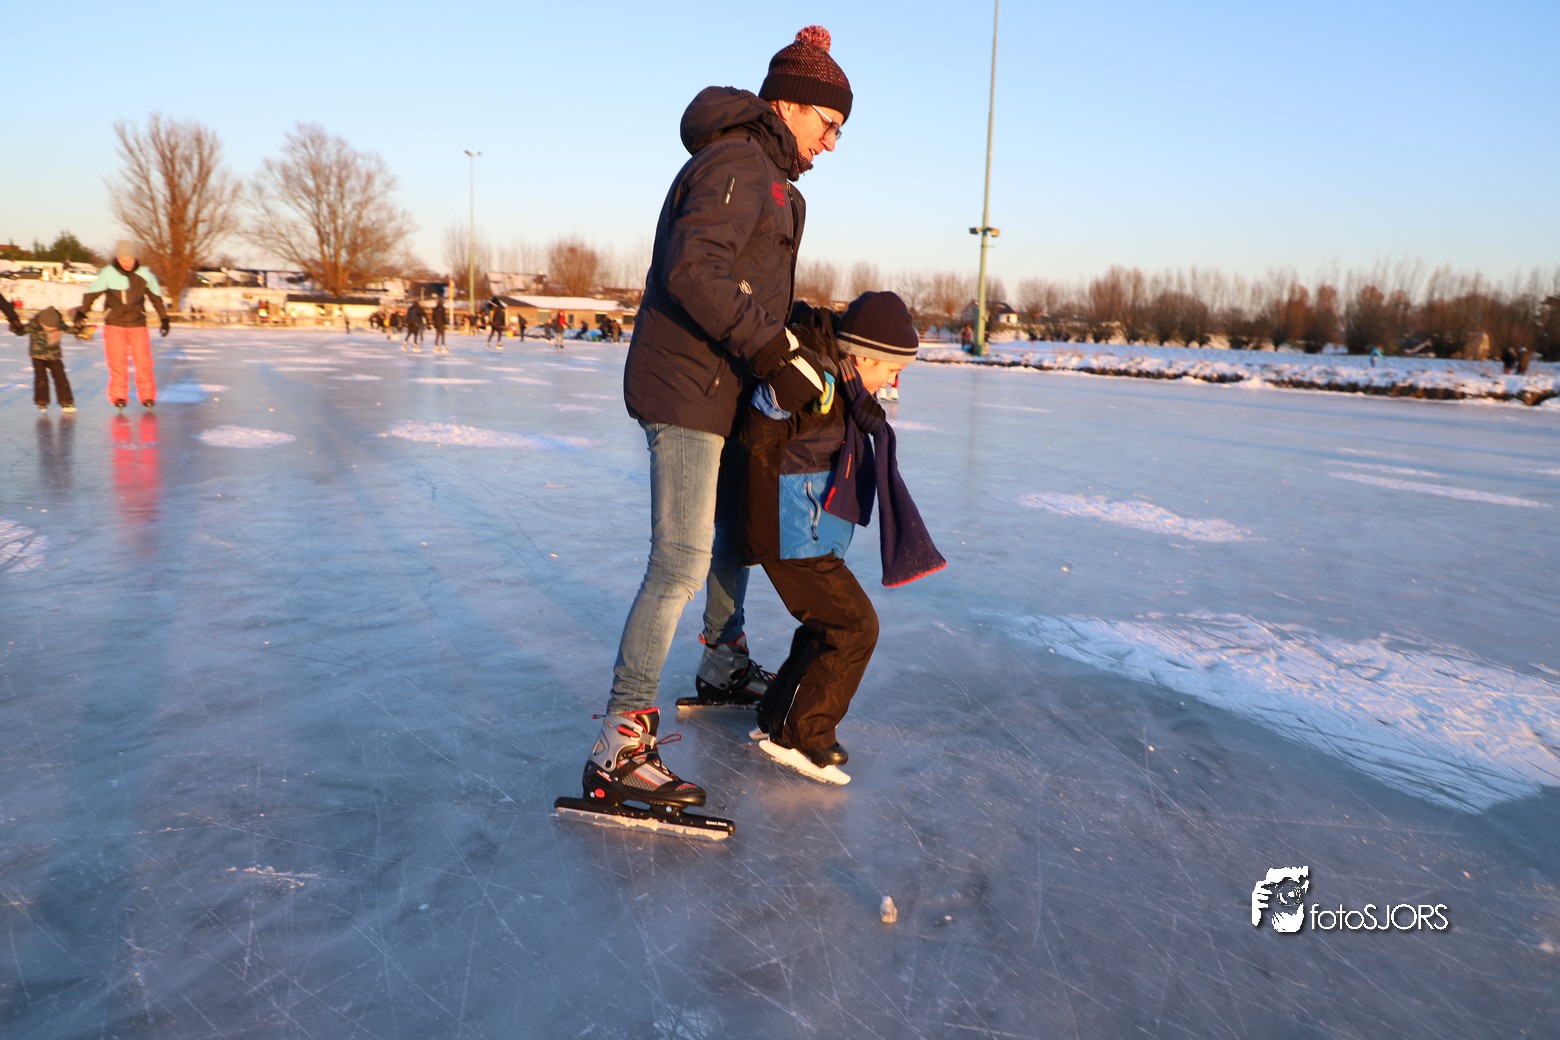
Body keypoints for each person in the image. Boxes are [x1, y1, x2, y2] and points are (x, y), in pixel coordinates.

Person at [568, 25, 853, 832]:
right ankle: (619, 743)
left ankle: (723, 662)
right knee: (680, 560)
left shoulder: (773, 181)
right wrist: (771, 351)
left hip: (725, 389)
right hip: (688, 389)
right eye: (829, 124)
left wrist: (804, 338)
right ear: (790, 104)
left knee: (733, 537)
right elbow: (695, 271)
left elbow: (750, 290)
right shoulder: (738, 162)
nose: (833, 144)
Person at [745, 291, 942, 783]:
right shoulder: (818, 378)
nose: (893, 380)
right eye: (891, 368)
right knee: (855, 627)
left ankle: (777, 716)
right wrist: (771, 406)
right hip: (792, 530)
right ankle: (803, 734)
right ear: (865, 356)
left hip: (808, 531)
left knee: (827, 626)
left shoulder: (846, 390)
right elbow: (759, 440)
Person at [74, 240, 169, 409]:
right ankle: (118, 396)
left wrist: (164, 318)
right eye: (122, 259)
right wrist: (82, 312)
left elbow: (156, 298)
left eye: (129, 259)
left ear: (135, 258)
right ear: (117, 258)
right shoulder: (108, 273)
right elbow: (92, 294)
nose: (126, 262)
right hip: (114, 323)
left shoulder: (144, 274)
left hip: (137, 322)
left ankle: (147, 395)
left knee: (143, 361)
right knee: (117, 361)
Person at [18, 305, 76, 413]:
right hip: (38, 356)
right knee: (41, 379)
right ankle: (42, 401)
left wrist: (79, 328)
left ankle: (66, 401)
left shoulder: (59, 324)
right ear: (42, 322)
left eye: (54, 328)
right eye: (49, 327)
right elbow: (20, 331)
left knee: (61, 378)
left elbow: (70, 330)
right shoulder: (34, 325)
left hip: (54, 355)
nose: (52, 329)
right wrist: (15, 326)